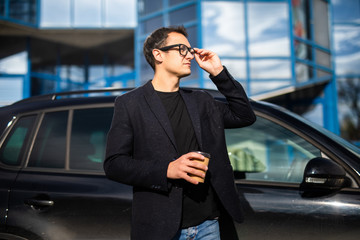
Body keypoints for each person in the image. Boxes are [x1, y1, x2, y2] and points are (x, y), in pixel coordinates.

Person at [104, 25, 256, 240]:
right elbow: (114, 164)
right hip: (161, 228)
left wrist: (218, 73)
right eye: (182, 49)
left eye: (190, 50)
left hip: (208, 225)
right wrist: (167, 170)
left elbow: (244, 116)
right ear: (158, 55)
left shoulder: (201, 101)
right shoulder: (130, 104)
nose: (191, 56)